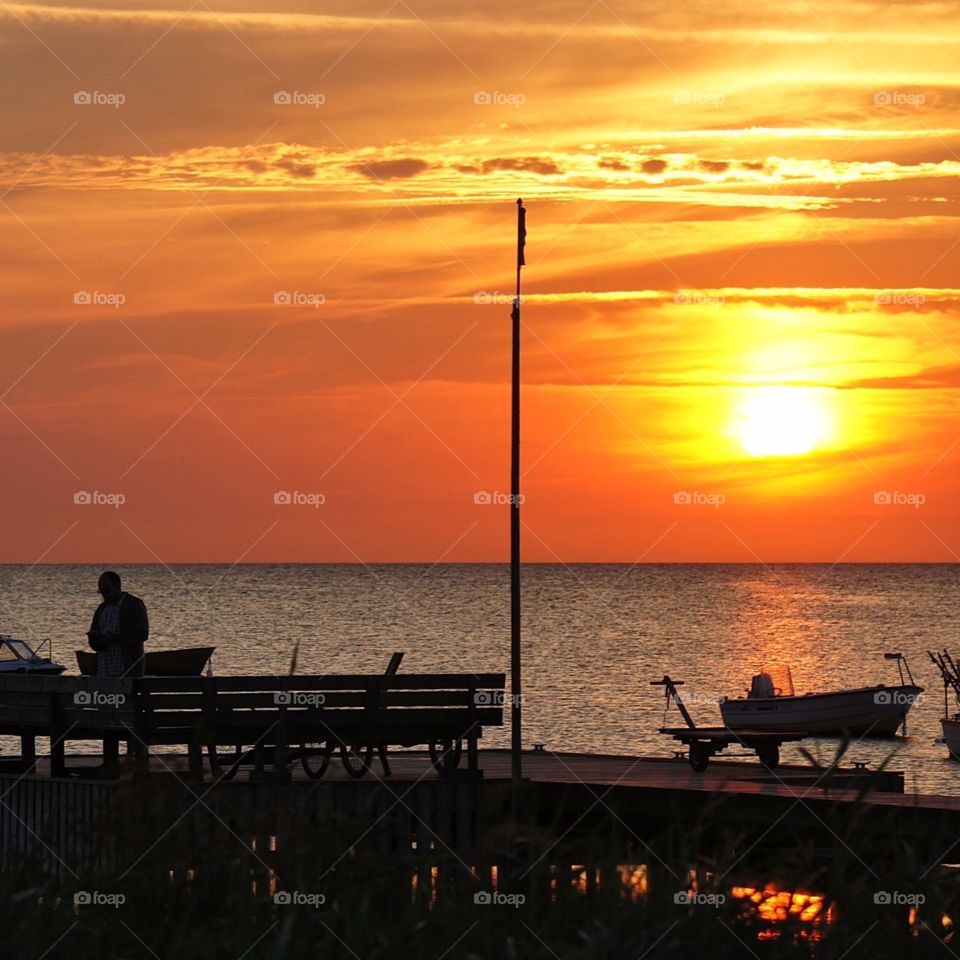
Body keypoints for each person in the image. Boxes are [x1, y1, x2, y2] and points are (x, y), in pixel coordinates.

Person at [86, 571, 149, 777]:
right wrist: (95, 639)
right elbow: (95, 642)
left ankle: (131, 760)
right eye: (101, 591)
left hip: (127, 671)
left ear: (118, 586)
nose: (103, 594)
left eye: (107, 590)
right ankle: (110, 763)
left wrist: (117, 638)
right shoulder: (101, 609)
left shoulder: (134, 605)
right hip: (105, 672)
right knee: (108, 718)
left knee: (129, 718)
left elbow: (142, 634)